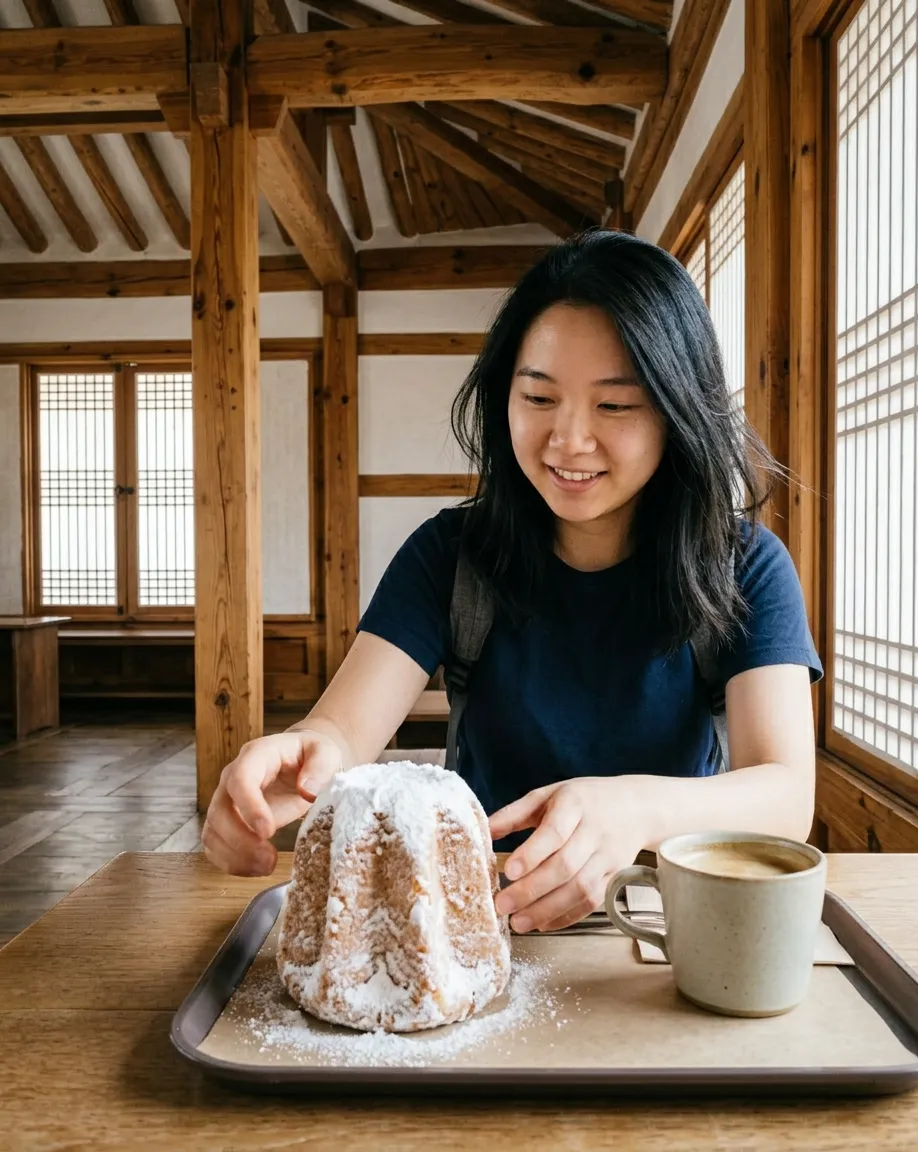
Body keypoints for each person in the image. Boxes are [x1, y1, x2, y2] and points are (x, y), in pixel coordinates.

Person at [202, 228, 822, 935]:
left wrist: (635, 809)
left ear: (679, 413)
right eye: (539, 398)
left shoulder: (743, 564)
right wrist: (301, 760)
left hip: (665, 920)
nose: (569, 440)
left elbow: (784, 793)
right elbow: (343, 731)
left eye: (614, 406)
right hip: (484, 916)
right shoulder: (451, 554)